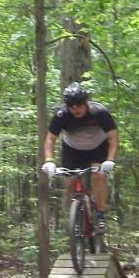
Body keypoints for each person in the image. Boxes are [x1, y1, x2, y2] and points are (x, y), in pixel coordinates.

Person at [41, 82, 118, 232]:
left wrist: (110, 159)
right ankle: (73, 217)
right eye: (71, 105)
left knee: (99, 176)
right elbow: (50, 139)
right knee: (69, 183)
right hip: (72, 150)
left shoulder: (99, 112)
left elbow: (113, 138)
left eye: (79, 104)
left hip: (98, 148)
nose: (75, 108)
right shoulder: (62, 115)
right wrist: (49, 160)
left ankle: (101, 215)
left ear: (85, 102)